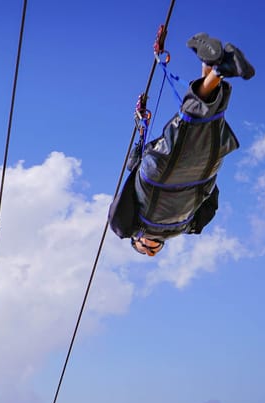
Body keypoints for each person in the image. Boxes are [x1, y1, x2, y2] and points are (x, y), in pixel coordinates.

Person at [108, 33, 254, 256]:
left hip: (178, 175)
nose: (150, 250)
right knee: (206, 123)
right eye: (152, 250)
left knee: (194, 123)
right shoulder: (190, 227)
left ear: (136, 240)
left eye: (143, 248)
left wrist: (141, 143)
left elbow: (129, 183)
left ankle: (218, 69)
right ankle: (214, 66)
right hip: (193, 175)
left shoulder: (128, 228)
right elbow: (211, 202)